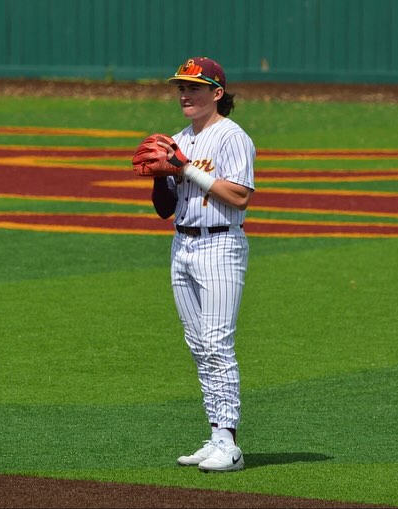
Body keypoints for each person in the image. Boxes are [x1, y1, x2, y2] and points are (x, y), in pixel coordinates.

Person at [151, 57, 255, 473]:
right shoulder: (178, 140)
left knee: (216, 343)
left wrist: (185, 168)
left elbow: (240, 196)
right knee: (198, 346)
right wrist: (160, 173)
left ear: (217, 93)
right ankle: (216, 436)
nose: (184, 95)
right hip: (182, 245)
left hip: (221, 245)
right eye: (181, 87)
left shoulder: (232, 137)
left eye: (194, 87)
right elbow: (164, 209)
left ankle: (229, 443)